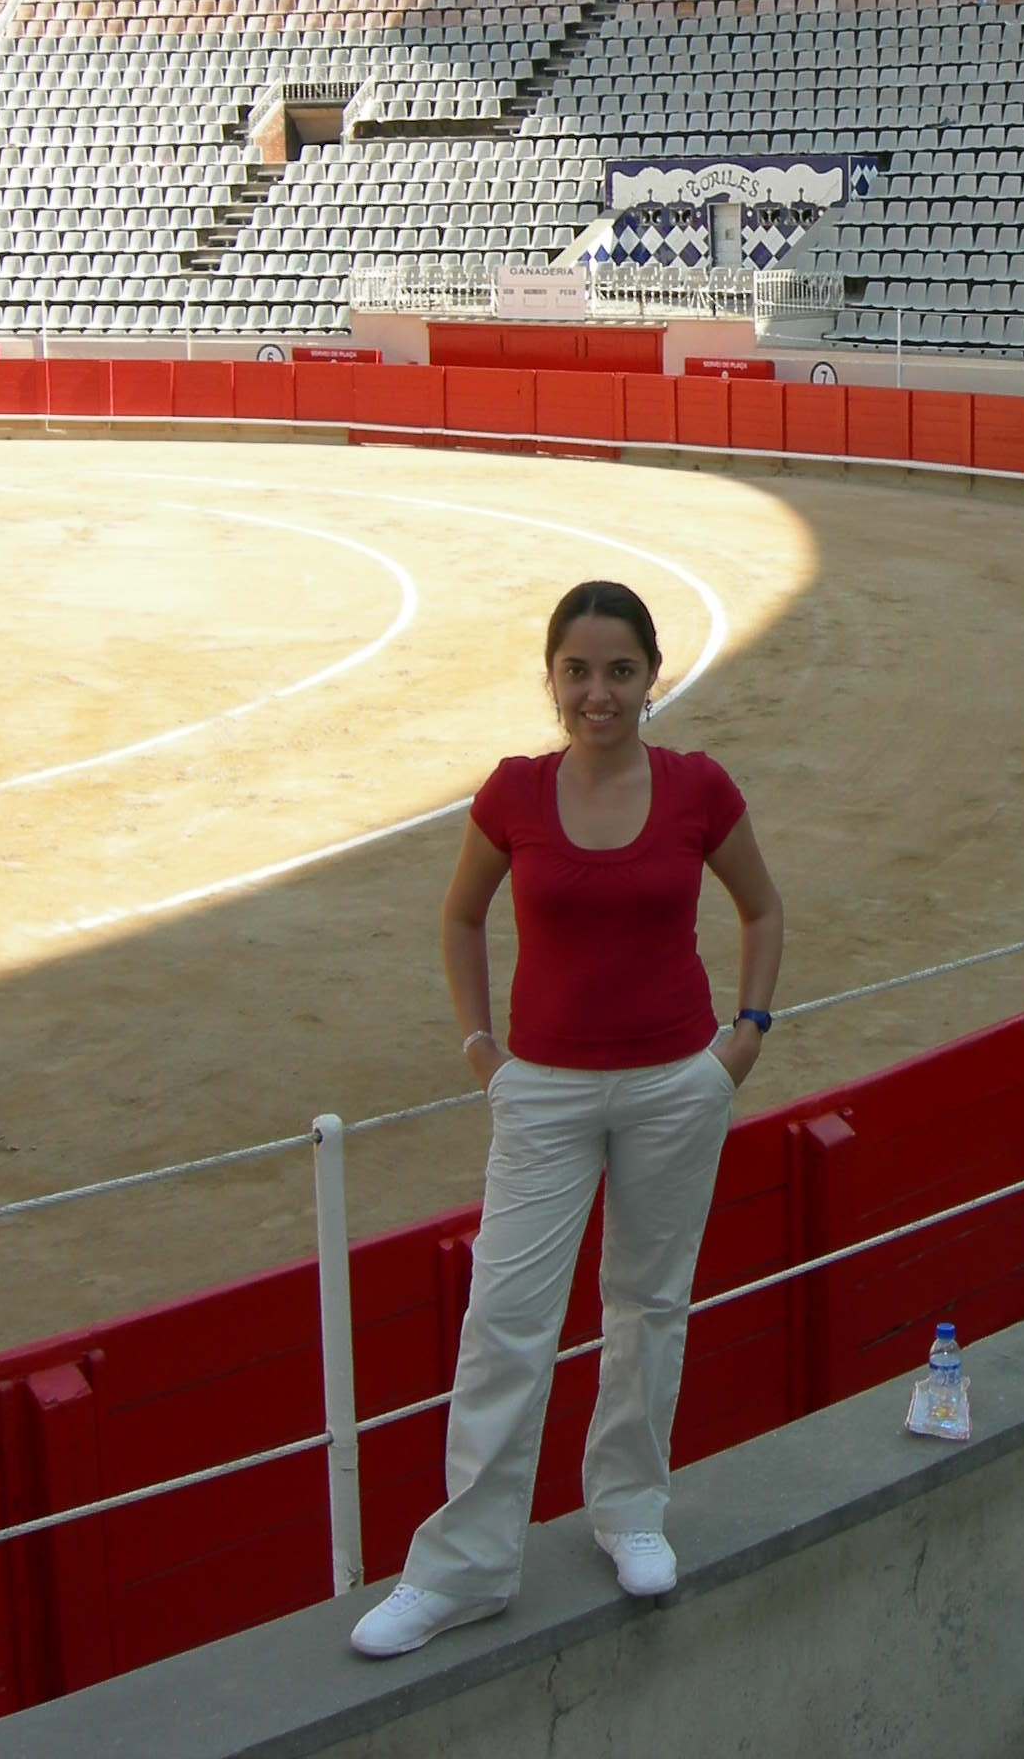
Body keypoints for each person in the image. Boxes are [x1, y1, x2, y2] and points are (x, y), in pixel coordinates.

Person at [351, 577, 784, 1656]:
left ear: (652, 677)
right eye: (579, 672)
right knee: (505, 1320)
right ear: (551, 679)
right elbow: (459, 918)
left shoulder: (698, 788)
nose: (599, 692)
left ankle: (630, 1511)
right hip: (540, 1091)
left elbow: (763, 907)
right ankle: (465, 1566)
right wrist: (481, 1051)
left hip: (675, 1084)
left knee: (649, 1303)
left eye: (620, 671)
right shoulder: (511, 792)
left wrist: (746, 1037)